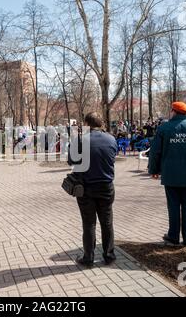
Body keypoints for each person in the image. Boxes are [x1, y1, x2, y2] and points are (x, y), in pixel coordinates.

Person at [149, 102, 186, 246]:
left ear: (173, 111)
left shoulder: (163, 128)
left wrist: (153, 170)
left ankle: (173, 236)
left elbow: (155, 151)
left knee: (173, 205)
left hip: (170, 174)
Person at [69, 112, 118, 267]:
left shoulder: (80, 141)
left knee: (89, 223)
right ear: (101, 123)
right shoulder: (111, 139)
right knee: (107, 222)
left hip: (86, 188)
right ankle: (109, 255)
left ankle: (88, 258)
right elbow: (112, 156)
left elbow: (71, 161)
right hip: (106, 186)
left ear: (86, 124)